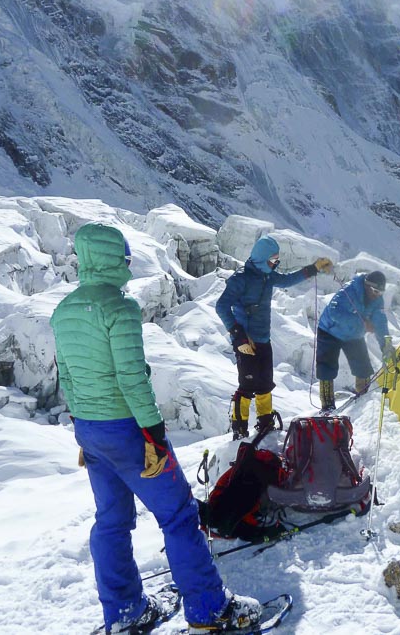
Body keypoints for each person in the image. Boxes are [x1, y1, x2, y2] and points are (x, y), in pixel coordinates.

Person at [51, 223, 261, 634]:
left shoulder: (65, 310)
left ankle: (124, 613)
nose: (129, 260)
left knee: (111, 521)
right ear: (113, 258)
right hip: (129, 428)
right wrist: (153, 434)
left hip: (91, 430)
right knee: (179, 514)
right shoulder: (119, 308)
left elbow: (68, 376)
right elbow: (131, 377)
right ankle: (209, 611)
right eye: (124, 254)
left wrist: (82, 426)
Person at [215, 235, 332, 439]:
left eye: (277, 261)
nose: (275, 264)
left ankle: (265, 421)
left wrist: (314, 268)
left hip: (263, 339)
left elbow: (289, 279)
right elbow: (221, 306)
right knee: (247, 385)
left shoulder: (268, 276)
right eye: (272, 261)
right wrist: (238, 337)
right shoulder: (241, 278)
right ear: (261, 259)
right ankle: (239, 427)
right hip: (246, 341)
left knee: (265, 382)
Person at [316, 270, 393, 412]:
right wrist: (362, 323)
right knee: (327, 368)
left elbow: (380, 322)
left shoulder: (377, 300)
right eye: (375, 291)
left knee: (363, 367)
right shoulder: (348, 291)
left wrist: (385, 345)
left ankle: (362, 399)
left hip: (353, 335)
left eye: (380, 293)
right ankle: (327, 405)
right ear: (367, 285)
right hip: (329, 330)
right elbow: (335, 313)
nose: (377, 295)